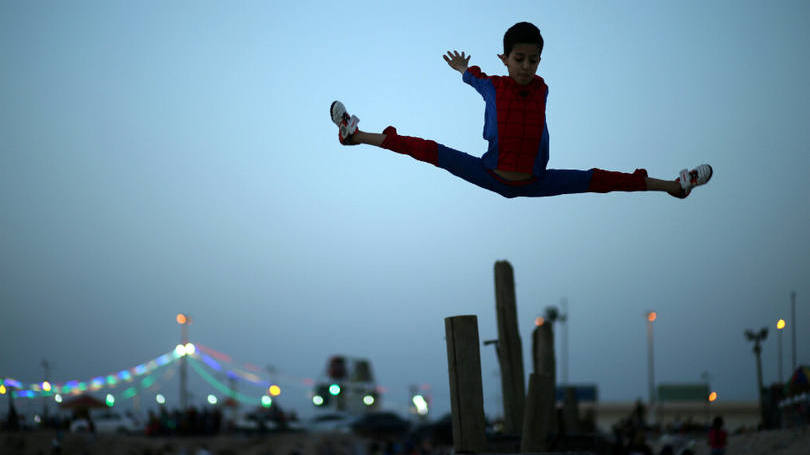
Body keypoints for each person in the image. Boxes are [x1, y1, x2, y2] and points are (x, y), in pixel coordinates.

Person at [330, 22, 712, 199]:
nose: (527, 67)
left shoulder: (542, 87)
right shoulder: (494, 85)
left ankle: (675, 186)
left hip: (536, 180)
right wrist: (462, 68)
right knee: (426, 149)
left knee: (601, 179)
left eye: (533, 60)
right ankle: (354, 134)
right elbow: (475, 78)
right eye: (519, 59)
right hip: (489, 173)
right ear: (505, 59)